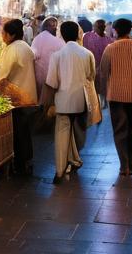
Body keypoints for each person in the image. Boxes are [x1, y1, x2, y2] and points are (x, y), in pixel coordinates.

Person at [100, 18, 132, 176]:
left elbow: (103, 72)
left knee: (120, 130)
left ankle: (124, 165)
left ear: (115, 30)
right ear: (131, 30)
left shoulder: (110, 49)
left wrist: (104, 92)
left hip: (116, 96)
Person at [46, 21, 95, 183]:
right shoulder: (87, 54)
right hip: (81, 101)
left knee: (62, 133)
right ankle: (75, 160)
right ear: (78, 34)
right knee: (73, 132)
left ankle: (59, 170)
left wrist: (49, 103)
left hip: (63, 101)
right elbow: (90, 76)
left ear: (62, 35)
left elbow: (52, 82)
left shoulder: (57, 55)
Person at [0, 18, 39, 175]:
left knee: (18, 131)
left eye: (4, 33)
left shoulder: (11, 49)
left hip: (16, 97)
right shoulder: (26, 47)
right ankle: (27, 160)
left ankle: (20, 165)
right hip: (28, 95)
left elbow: (3, 76)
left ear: (11, 35)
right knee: (25, 130)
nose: (2, 36)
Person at [83, 19, 114, 103]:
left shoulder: (109, 40)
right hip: (90, 70)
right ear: (94, 27)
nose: (100, 28)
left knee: (103, 95)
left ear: (104, 27)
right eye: (98, 26)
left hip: (103, 72)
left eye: (102, 26)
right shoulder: (87, 37)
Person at [32, 16, 63, 96]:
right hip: (51, 78)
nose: (55, 28)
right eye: (53, 26)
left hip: (38, 78)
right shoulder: (58, 41)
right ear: (46, 26)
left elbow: (33, 56)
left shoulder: (37, 39)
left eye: (56, 26)